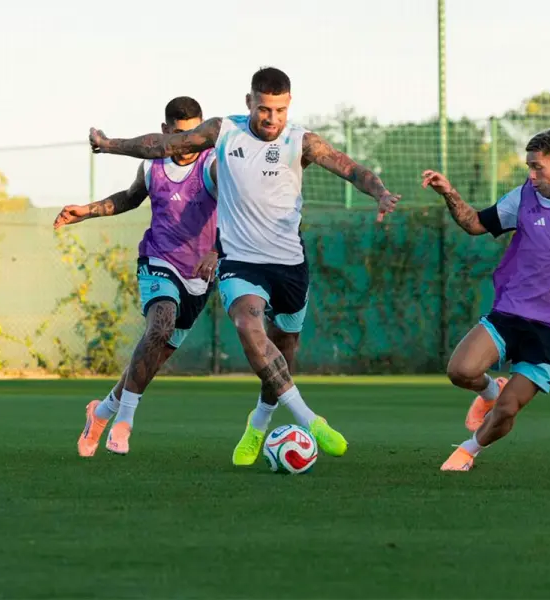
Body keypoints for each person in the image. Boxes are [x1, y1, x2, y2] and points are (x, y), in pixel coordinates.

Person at [88, 67, 400, 465]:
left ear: (289, 106)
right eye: (265, 109)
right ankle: (310, 419)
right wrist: (111, 144)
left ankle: (258, 422)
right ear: (250, 102)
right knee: (247, 326)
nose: (272, 118)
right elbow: (165, 145)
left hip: (289, 263)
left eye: (281, 110)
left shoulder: (301, 140)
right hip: (240, 262)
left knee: (283, 351)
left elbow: (351, 168)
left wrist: (380, 193)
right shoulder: (223, 131)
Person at [55, 96, 218, 456]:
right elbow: (130, 198)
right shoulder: (153, 166)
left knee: (151, 360)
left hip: (200, 275)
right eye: (178, 136)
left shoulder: (214, 164)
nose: (187, 145)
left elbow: (237, 209)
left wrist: (217, 249)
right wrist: (89, 210)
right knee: (160, 325)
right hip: (158, 259)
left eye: (194, 136)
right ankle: (124, 422)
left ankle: (100, 413)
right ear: (164, 133)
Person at [423, 129, 550, 471]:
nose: (531, 174)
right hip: (510, 313)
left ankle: (468, 451)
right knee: (460, 371)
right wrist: (449, 192)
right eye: (528, 166)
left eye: (538, 167)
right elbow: (474, 223)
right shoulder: (523, 197)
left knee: (508, 410)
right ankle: (489, 391)